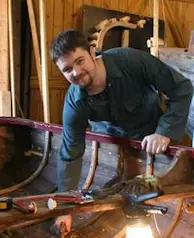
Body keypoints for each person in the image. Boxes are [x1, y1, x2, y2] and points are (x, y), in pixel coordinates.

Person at [50, 29, 193, 234]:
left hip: (152, 140)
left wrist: (165, 131)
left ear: (92, 52)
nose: (76, 72)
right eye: (67, 69)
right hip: (112, 149)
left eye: (80, 60)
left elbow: (181, 88)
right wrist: (65, 208)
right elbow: (70, 153)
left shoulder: (131, 61)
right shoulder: (74, 102)